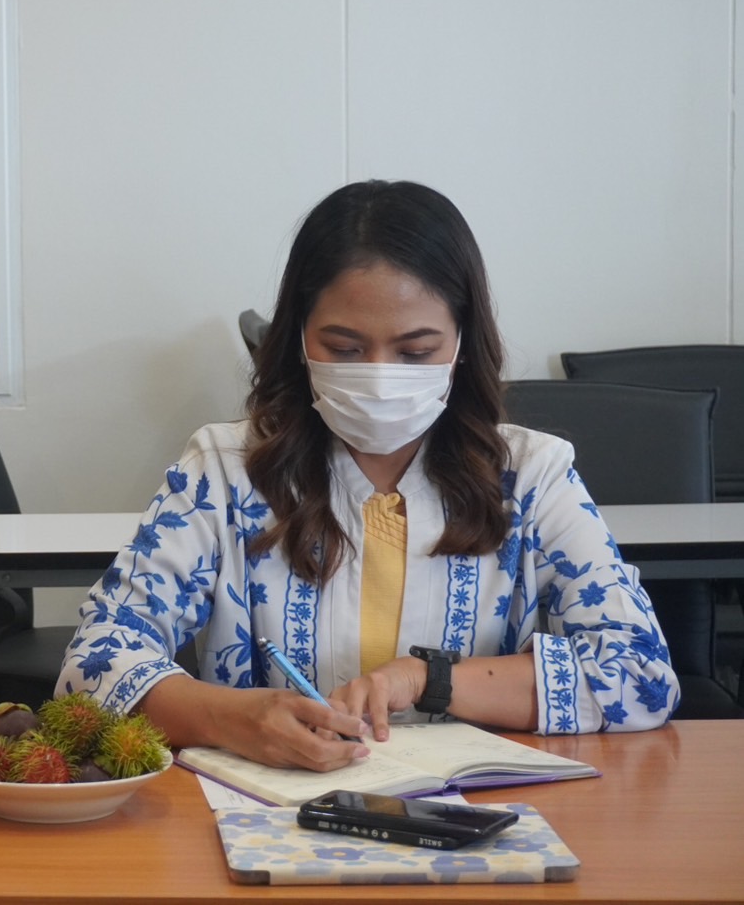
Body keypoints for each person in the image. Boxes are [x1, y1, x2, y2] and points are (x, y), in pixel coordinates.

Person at [60, 179, 677, 772]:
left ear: (463, 342)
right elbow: (91, 667)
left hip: (476, 820)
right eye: (345, 349)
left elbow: (640, 675)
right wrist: (231, 719)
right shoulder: (223, 473)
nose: (380, 377)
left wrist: (428, 679)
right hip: (270, 820)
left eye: (415, 352)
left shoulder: (533, 477)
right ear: (297, 338)